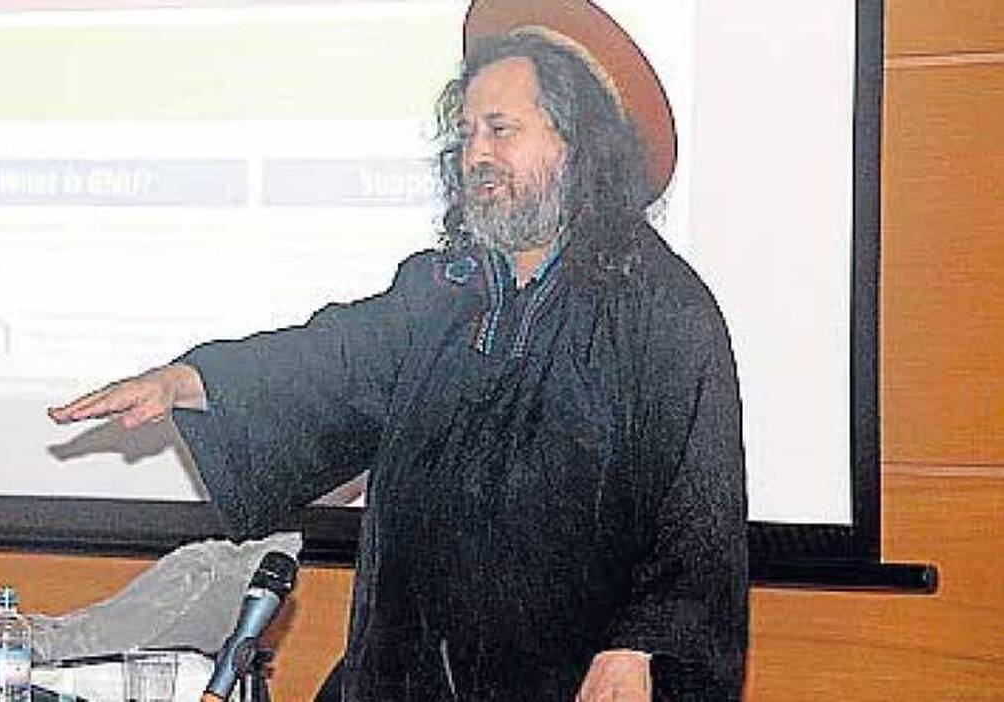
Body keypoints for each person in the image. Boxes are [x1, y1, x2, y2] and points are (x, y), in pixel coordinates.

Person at [50, 3, 747, 700]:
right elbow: (328, 364)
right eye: (466, 134)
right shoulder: (439, 291)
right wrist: (188, 381)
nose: (476, 154)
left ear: (577, 143)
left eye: (500, 129)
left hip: (570, 679)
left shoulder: (660, 308)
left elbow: (697, 511)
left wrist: (640, 644)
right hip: (404, 678)